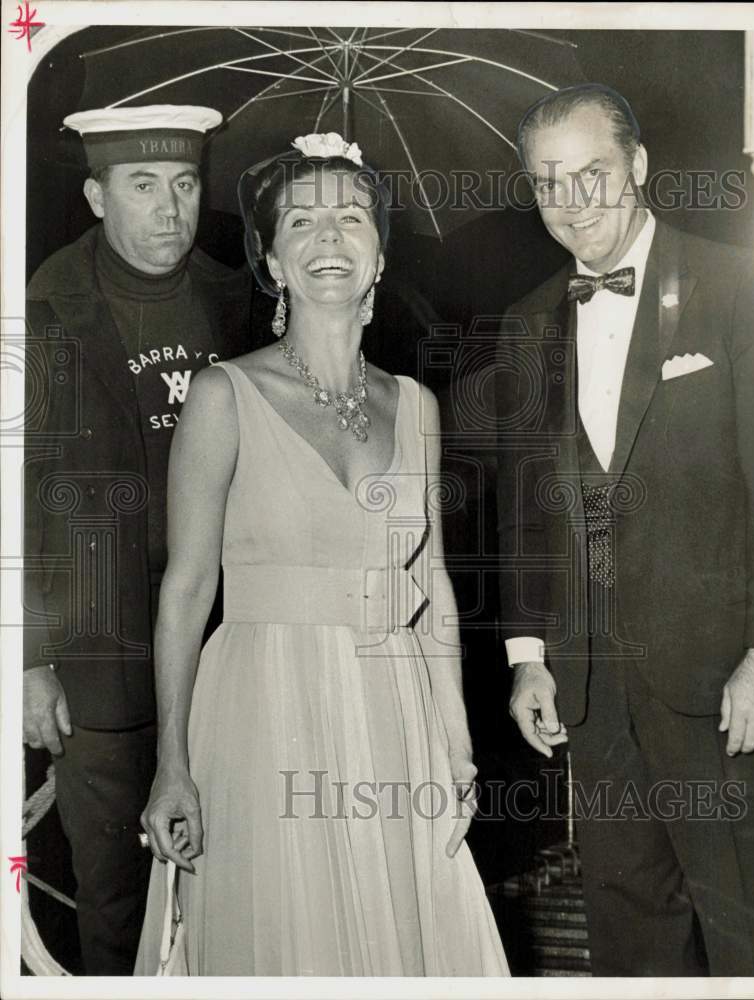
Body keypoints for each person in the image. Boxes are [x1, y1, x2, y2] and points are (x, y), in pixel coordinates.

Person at [134, 133, 510, 976]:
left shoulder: (415, 404)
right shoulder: (223, 394)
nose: (329, 239)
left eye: (350, 218)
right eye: (300, 222)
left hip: (395, 710)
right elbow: (187, 590)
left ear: (379, 252)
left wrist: (453, 743)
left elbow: (432, 584)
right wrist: (172, 764)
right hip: (264, 710)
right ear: (271, 259)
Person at [495, 84, 754, 976]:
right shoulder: (529, 320)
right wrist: (529, 653)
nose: (572, 205)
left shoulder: (740, 287)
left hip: (722, 679)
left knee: (749, 921)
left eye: (592, 175)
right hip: (589, 685)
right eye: (548, 185)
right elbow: (526, 503)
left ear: (639, 167)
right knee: (629, 930)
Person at [23, 105, 260, 974]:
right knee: (117, 899)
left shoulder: (241, 298)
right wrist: (27, 658)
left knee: (230, 880)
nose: (172, 209)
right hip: (97, 656)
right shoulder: (40, 309)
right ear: (95, 194)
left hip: (226, 639)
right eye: (144, 186)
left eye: (187, 184)